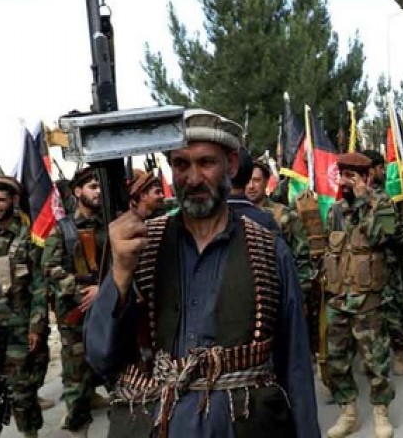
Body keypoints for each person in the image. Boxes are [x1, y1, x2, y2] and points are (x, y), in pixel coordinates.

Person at [84, 109, 319, 438]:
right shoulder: (137, 247)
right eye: (181, 164)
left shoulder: (269, 250)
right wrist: (121, 271)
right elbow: (100, 358)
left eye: (206, 162)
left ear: (231, 165)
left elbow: (295, 365)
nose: (193, 179)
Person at [323, 152, 402, 438]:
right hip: (338, 295)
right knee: (337, 358)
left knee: (375, 358)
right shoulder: (335, 210)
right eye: (343, 175)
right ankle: (348, 412)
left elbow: (382, 237)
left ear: (366, 177)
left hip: (367, 296)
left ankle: (381, 412)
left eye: (352, 176)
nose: (346, 181)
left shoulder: (381, 204)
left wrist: (363, 200)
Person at [42, 166, 107, 437]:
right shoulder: (63, 229)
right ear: (78, 191)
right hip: (76, 311)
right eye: (92, 187)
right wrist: (81, 291)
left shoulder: (109, 225)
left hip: (105, 307)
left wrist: (101, 290)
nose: (98, 192)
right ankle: (78, 424)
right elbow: (49, 267)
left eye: (100, 186)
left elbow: (122, 265)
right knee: (75, 373)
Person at [0, 175, 47, 438]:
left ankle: (30, 434)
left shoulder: (29, 239)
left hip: (18, 329)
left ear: (13, 202)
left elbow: (40, 284)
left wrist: (36, 326)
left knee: (22, 392)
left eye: (1, 200)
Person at [365, 149, 403, 376]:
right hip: (387, 264)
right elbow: (392, 235)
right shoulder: (382, 198)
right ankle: (399, 358)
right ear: (372, 170)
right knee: (394, 310)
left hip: (363, 269)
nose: (384, 172)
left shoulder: (348, 199)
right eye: (381, 167)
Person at [227, 147, 281, 233]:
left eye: (256, 180)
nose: (251, 186)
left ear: (266, 182)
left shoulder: (280, 214)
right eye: (250, 181)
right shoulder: (219, 216)